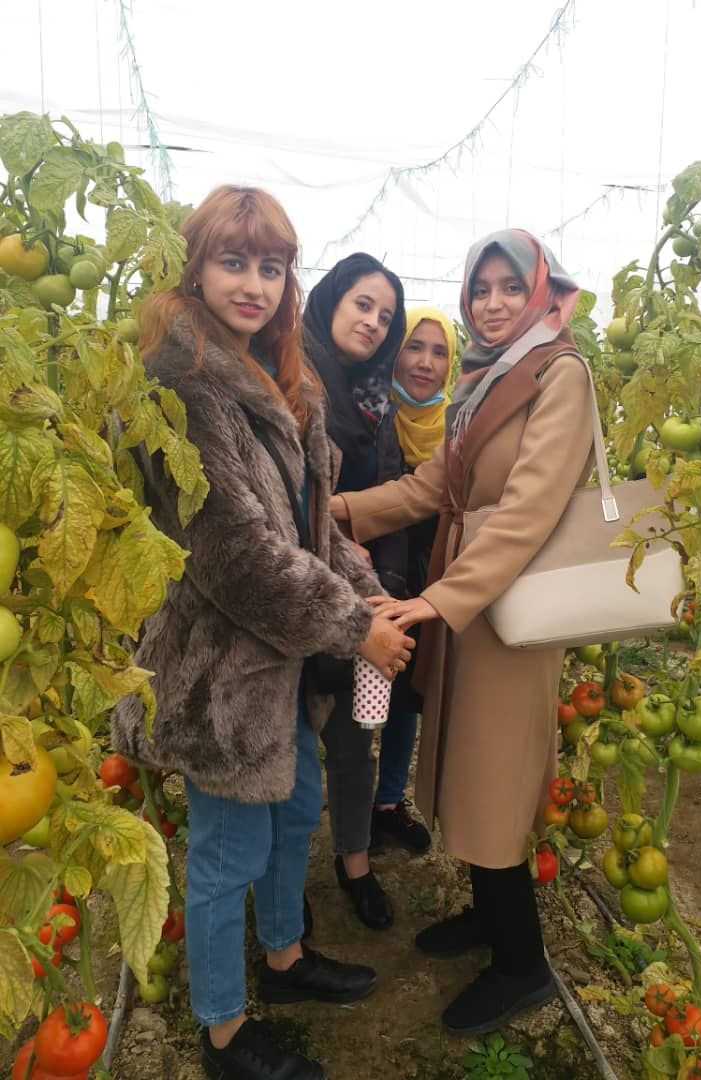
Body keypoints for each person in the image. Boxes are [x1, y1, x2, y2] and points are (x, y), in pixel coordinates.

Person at [112, 187, 413, 1080]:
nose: (253, 284)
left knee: (296, 814)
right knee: (227, 850)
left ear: (290, 280)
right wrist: (357, 627)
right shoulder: (182, 385)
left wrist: (368, 595)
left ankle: (283, 959)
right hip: (222, 668)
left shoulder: (285, 380)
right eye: (232, 262)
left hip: (280, 660)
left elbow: (313, 529)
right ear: (195, 266)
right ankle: (221, 1031)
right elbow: (236, 555)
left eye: (271, 267)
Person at [330, 229, 593, 1036]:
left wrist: (444, 597)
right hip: (473, 594)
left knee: (495, 775)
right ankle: (488, 920)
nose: (492, 302)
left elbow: (529, 512)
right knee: (469, 762)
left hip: (509, 604)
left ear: (541, 290)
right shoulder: (483, 382)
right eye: (480, 289)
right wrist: (338, 510)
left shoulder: (561, 374)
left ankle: (523, 966)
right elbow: (429, 486)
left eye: (510, 287)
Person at [301, 253, 410, 931]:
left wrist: (386, 587)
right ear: (332, 300)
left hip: (363, 599)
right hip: (300, 597)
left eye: (385, 316)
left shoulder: (379, 402)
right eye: (362, 304)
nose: (372, 322)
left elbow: (395, 500)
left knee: (350, 742)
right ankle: (285, 890)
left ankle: (354, 864)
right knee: (284, 747)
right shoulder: (293, 380)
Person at [369, 307, 456, 854]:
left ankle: (387, 801)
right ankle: (353, 810)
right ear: (394, 352)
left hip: (430, 574)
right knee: (359, 691)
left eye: (439, 350)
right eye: (414, 347)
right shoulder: (368, 410)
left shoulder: (460, 423)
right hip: (366, 568)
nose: (425, 362)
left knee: (406, 693)